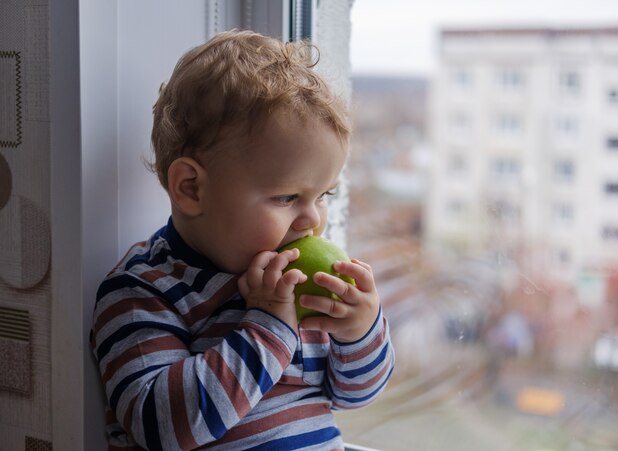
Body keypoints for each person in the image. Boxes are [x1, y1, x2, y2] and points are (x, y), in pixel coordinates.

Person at [90, 29, 394, 450]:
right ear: (192, 189)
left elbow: (355, 394)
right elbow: (161, 426)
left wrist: (359, 331)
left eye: (323, 195)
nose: (312, 219)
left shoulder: (297, 283)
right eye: (287, 197)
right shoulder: (144, 290)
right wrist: (269, 327)